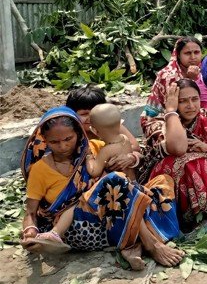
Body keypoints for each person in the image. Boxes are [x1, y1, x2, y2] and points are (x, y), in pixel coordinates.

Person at [20, 107, 182, 270]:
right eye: (54, 142)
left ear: (79, 133)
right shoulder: (40, 169)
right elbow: (30, 212)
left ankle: (131, 245)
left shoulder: (94, 147)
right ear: (44, 140)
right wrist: (30, 232)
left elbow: (136, 153)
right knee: (115, 180)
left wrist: (130, 158)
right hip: (79, 228)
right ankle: (151, 243)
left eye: (68, 138)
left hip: (111, 216)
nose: (63, 146)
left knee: (162, 181)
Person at [146, 79, 207, 225]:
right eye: (183, 101)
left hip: (196, 173)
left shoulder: (205, 116)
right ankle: (181, 217)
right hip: (165, 182)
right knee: (182, 163)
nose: (191, 106)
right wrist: (171, 112)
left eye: (195, 99)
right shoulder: (158, 122)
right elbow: (179, 149)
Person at [66, 86, 141, 174]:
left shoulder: (109, 125)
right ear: (72, 114)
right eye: (84, 114)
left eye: (95, 114)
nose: (91, 118)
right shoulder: (72, 133)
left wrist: (130, 158)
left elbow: (135, 147)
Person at [141, 37, 202, 143]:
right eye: (187, 53)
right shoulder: (169, 75)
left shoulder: (201, 71)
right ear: (178, 55)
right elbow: (176, 106)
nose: (193, 57)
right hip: (161, 119)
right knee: (175, 143)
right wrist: (190, 79)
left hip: (189, 116)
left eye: (196, 52)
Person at [86, 104, 136, 181]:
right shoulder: (125, 139)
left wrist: (89, 156)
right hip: (133, 183)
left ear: (95, 131)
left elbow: (94, 171)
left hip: (121, 189)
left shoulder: (106, 150)